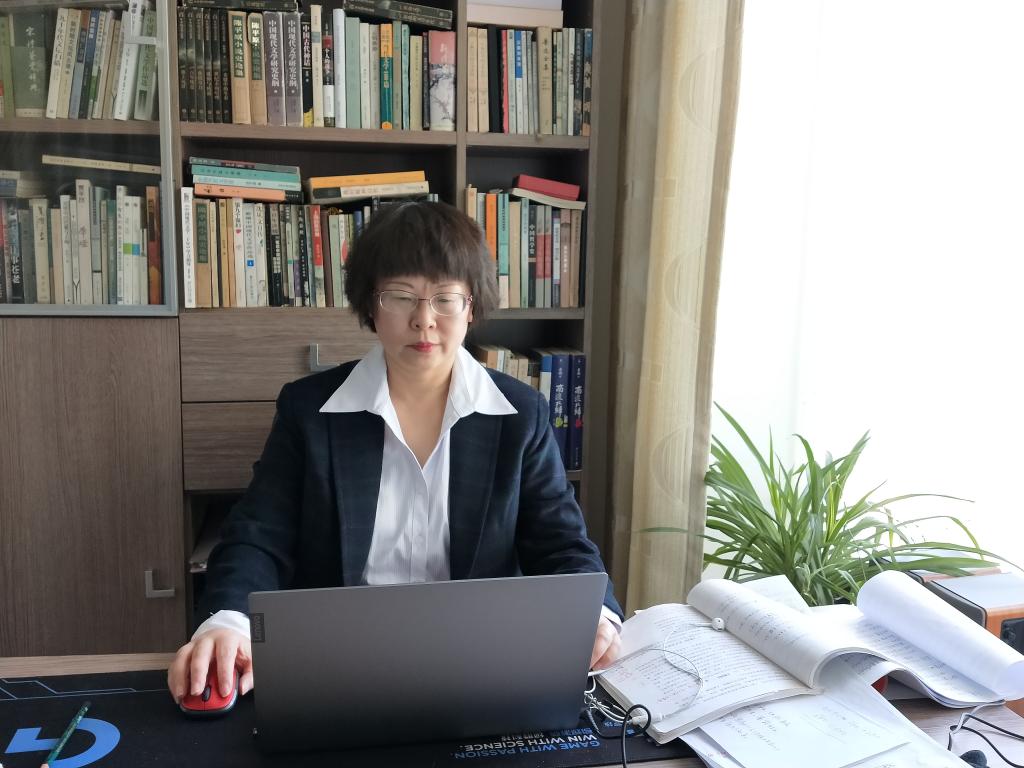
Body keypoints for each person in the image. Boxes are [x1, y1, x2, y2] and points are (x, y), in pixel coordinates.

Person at [167, 201, 622, 705]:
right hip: (336, 668)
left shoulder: (520, 414)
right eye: (401, 297)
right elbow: (258, 538)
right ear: (371, 305)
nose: (424, 320)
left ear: (471, 307)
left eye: (445, 298)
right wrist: (229, 621)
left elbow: (561, 544)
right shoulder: (309, 410)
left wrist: (594, 614)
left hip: (479, 668)